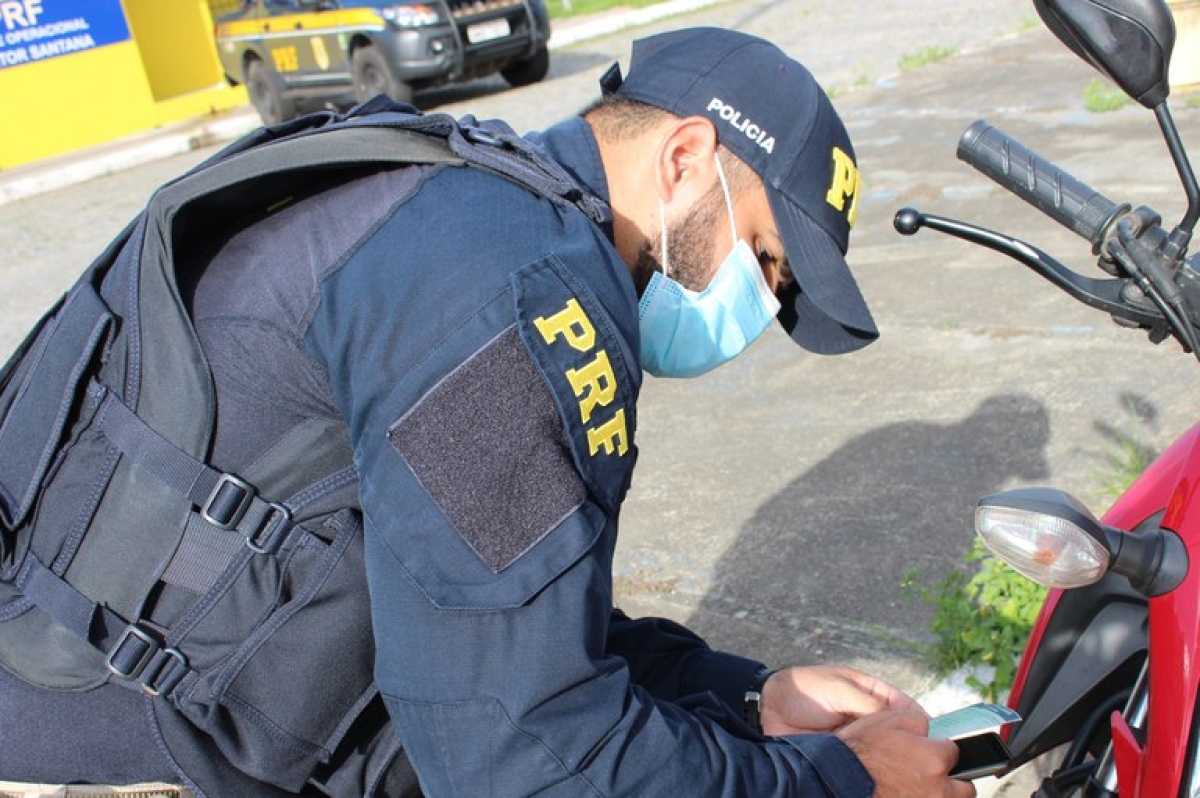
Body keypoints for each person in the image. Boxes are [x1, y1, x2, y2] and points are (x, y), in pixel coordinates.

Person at [0, 26, 974, 798]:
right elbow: (519, 758)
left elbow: (484, 613)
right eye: (764, 258)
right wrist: (840, 782)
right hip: (108, 763)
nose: (759, 310)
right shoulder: (522, 301)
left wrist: (748, 697)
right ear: (685, 158)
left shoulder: (460, 207)